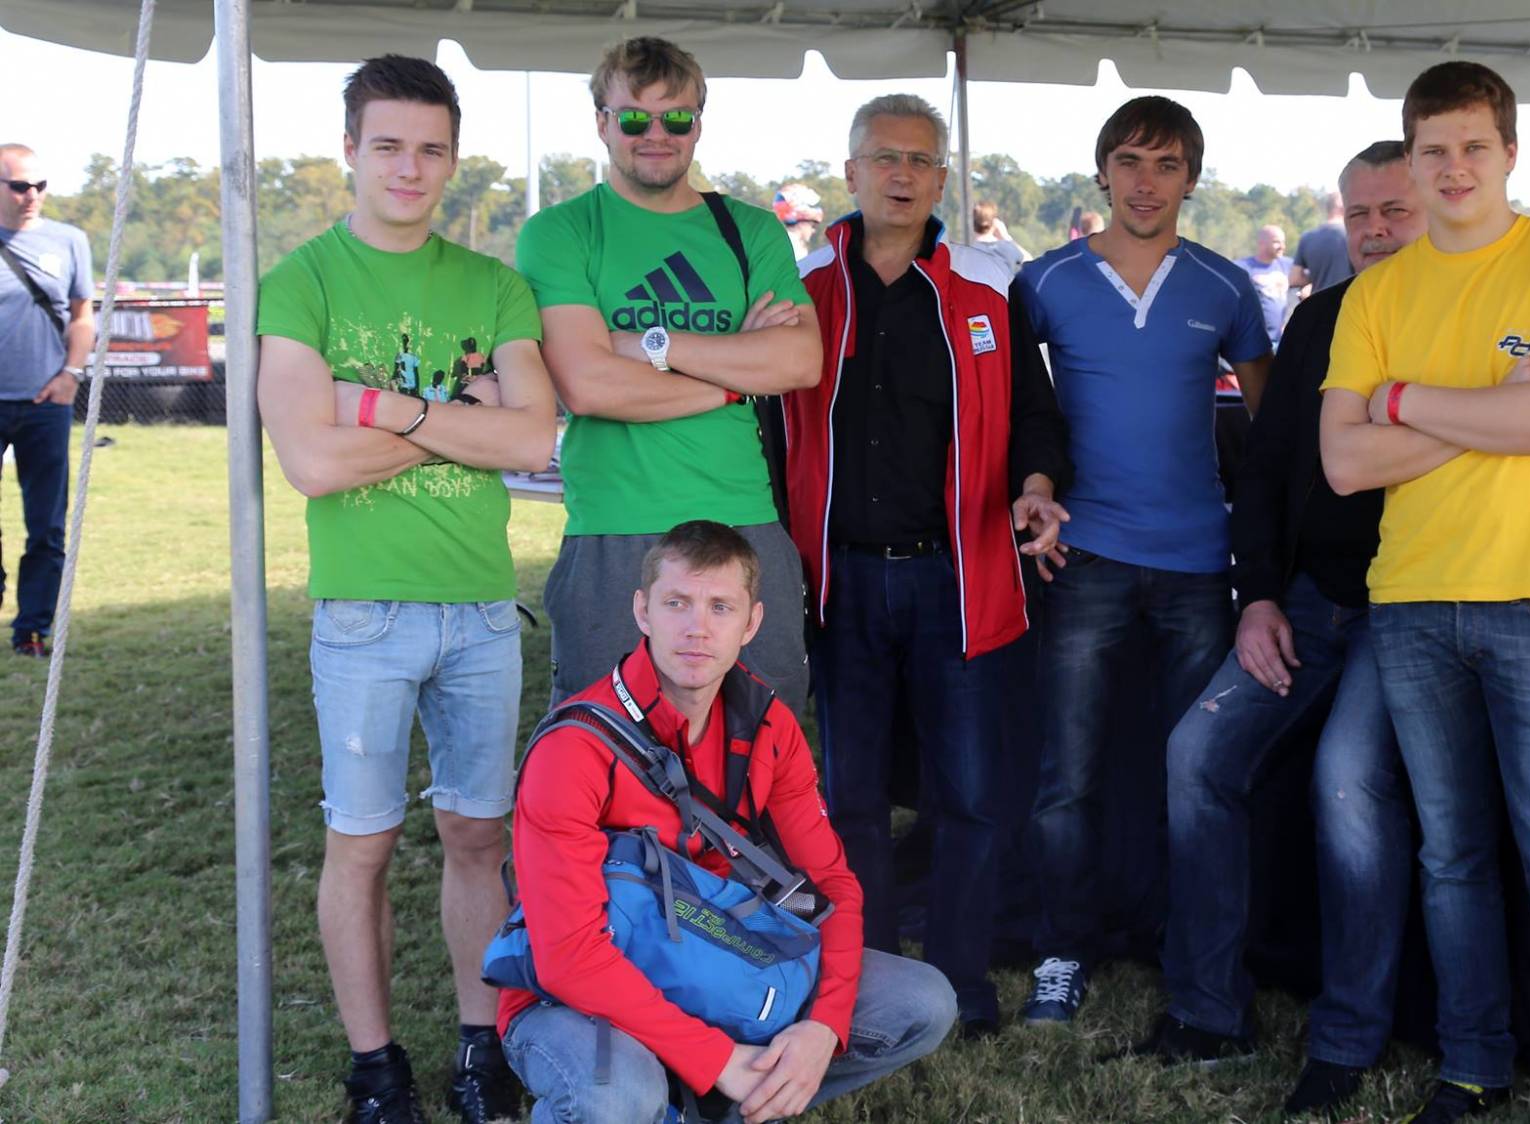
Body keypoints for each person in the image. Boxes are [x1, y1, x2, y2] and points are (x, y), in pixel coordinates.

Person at [1144, 139, 1530, 1122]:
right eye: (1356, 215)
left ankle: (1347, 1037)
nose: (1375, 231)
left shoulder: (1507, 286)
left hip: (1426, 600)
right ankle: (1205, 1008)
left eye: (1393, 210)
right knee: (1196, 753)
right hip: (1315, 599)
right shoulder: (1325, 318)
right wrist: (1257, 594)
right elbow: (1277, 465)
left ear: (1439, 201)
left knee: (1349, 784)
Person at [1320, 62, 1530, 1123]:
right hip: (1411, 599)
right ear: (1411, 162)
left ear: (1509, 152)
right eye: (1433, 150)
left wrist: (1401, 401)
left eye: (1471, 146)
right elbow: (1342, 463)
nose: (1452, 167)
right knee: (1451, 858)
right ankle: (1472, 1065)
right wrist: (1484, 408)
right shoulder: (1376, 292)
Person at [255, 55, 559, 1124]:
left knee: (479, 836)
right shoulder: (302, 280)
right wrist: (458, 416)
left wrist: (381, 408)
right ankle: (374, 1066)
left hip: (480, 607)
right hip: (364, 608)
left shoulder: (494, 284)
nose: (408, 168)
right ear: (350, 150)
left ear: (452, 160)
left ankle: (482, 1047)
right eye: (387, 145)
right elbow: (310, 461)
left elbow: (531, 438)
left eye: (431, 149)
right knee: (364, 843)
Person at [500, 520, 956, 1124]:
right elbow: (568, 958)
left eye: (720, 607)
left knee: (922, 1001)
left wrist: (824, 1027)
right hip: (579, 997)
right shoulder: (573, 749)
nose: (697, 628)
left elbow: (833, 886)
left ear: (752, 623)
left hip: (718, 962)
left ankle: (719, 1109)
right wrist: (717, 1059)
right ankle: (678, 1092)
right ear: (641, 611)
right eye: (676, 603)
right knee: (616, 1099)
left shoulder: (769, 724)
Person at [786, 94, 1071, 1037]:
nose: (901, 174)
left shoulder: (986, 293)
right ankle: (871, 983)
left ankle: (961, 983)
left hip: (959, 575)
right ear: (851, 172)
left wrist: (1036, 486)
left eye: (919, 160)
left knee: (970, 796)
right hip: (840, 581)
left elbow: (1036, 416)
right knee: (853, 796)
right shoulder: (802, 293)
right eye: (884, 157)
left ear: (942, 180)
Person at [1012, 95, 1271, 1025]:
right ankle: (1062, 950)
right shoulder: (1043, 281)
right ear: (1102, 173)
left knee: (1195, 776)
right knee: (1067, 776)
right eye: (1129, 161)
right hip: (1085, 556)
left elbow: (1273, 428)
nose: (1146, 182)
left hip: (1199, 563)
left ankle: (1191, 959)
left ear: (1191, 179)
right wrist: (1035, 494)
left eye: (1166, 165)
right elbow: (1015, 410)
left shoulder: (1225, 287)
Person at [517, 35, 821, 715]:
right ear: (602, 123)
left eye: (675, 118)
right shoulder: (561, 232)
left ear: (698, 125)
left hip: (744, 521)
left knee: (759, 741)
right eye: (634, 118)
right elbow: (590, 386)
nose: (656, 134)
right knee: (608, 744)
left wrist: (651, 344)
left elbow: (799, 361)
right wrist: (736, 376)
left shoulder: (749, 231)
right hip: (614, 528)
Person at [0, 143, 94, 658]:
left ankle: (32, 631)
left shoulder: (69, 240)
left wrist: (71, 375)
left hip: (46, 404)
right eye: (19, 186)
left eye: (39, 185)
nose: (31, 195)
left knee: (47, 527)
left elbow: (82, 316)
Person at [1235, 223, 1294, 352]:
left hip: (1283, 341)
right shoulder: (1242, 268)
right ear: (1262, 243)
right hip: (1254, 342)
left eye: (1283, 242)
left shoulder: (1289, 265)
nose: (1282, 246)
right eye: (1276, 242)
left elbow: (1309, 283)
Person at [1291, 190, 1354, 294]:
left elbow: (1295, 278)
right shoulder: (1353, 235)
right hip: (1348, 300)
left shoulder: (1307, 238)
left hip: (1319, 300)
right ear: (1343, 206)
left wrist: (1316, 276)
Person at [968, 200, 1028, 274]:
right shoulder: (1007, 249)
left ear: (972, 223)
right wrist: (1006, 237)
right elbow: (1030, 263)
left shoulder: (966, 254)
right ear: (994, 222)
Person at [773, 181, 824, 261]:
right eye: (812, 226)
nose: (813, 231)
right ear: (801, 223)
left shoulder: (778, 242)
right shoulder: (794, 248)